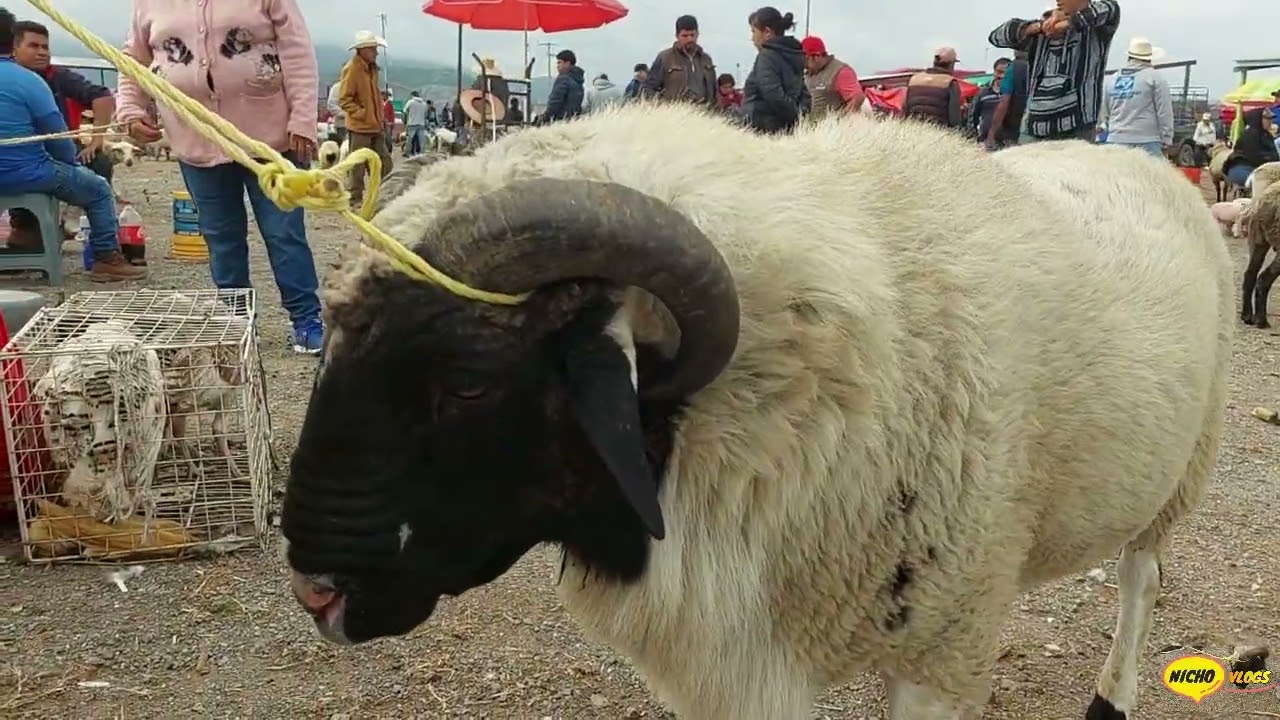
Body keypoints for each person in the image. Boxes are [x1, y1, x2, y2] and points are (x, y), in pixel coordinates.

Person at [117, 0, 325, 352]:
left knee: (284, 233)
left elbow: (298, 51)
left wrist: (303, 119)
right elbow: (133, 60)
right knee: (221, 237)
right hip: (196, 138)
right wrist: (130, 109)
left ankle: (306, 319)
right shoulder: (149, 4)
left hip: (271, 141)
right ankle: (238, 322)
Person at [0, 8, 144, 280]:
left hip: (23, 171)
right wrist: (71, 164)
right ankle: (106, 258)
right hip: (27, 173)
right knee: (98, 189)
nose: (41, 52)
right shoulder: (30, 81)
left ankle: (24, 240)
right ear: (12, 40)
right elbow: (59, 140)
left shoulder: (53, 76)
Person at [8, 19, 119, 252]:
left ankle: (86, 230)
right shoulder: (19, 79)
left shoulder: (58, 76)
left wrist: (97, 139)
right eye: (33, 46)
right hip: (25, 155)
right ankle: (26, 228)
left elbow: (102, 96)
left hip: (58, 149)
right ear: (13, 48)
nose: (42, 52)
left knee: (99, 162)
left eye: (45, 47)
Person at [988, 0, 1120, 142]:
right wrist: (1038, 27)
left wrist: (1068, 23)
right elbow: (996, 37)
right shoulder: (1039, 35)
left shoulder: (1095, 31)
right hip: (1035, 126)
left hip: (1078, 126)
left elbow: (1109, 9)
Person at [336, 31, 391, 208]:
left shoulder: (372, 69)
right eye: (373, 49)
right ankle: (355, 198)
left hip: (375, 125)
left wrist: (378, 117)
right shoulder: (352, 69)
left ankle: (385, 194)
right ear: (363, 50)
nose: (376, 52)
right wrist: (362, 113)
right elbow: (344, 99)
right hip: (360, 127)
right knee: (357, 165)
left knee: (384, 162)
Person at [1100, 37, 1172, 158]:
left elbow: (1104, 112)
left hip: (1116, 140)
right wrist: (1167, 139)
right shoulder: (1155, 78)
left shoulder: (1112, 79)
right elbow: (1164, 112)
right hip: (1147, 140)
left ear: (1129, 57)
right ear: (1149, 58)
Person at [742, 8, 808, 135]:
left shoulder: (767, 56)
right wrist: (798, 116)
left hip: (761, 129)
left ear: (767, 32)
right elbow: (805, 96)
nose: (752, 38)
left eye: (754, 32)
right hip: (787, 131)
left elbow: (773, 95)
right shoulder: (794, 56)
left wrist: (793, 115)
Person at [642, 15, 717, 109]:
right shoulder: (665, 58)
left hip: (704, 113)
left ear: (698, 34)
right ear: (677, 36)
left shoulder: (706, 59)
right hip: (675, 114)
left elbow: (714, 91)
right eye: (685, 36)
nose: (690, 39)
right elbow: (648, 88)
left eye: (692, 35)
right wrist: (663, 107)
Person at [800, 35, 864, 119]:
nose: (803, 64)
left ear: (816, 56)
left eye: (805, 59)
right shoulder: (807, 74)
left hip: (832, 125)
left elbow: (857, 98)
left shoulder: (840, 71)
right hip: (811, 124)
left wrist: (839, 121)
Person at [904, 47, 963, 128]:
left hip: (914, 129)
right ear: (951, 64)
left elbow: (905, 109)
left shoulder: (914, 79)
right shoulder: (950, 82)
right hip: (939, 130)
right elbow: (954, 118)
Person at [1223, 108, 1278, 190]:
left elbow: (1274, 155)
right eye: (1267, 119)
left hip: (1262, 168)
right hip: (1243, 167)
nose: (1270, 121)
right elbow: (1254, 157)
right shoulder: (1250, 135)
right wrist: (1270, 159)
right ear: (1258, 119)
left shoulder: (1267, 136)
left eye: (1271, 119)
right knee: (1263, 183)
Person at [538, 49, 584, 123]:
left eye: (559, 63)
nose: (557, 66)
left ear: (567, 63)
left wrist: (546, 115)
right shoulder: (578, 81)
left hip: (560, 121)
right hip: (574, 122)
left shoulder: (563, 79)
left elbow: (555, 101)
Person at [970, 58, 1010, 142]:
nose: (1002, 76)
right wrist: (973, 136)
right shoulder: (983, 93)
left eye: (1006, 73)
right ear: (994, 72)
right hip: (985, 141)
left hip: (1008, 142)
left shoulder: (1014, 94)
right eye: (999, 72)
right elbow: (972, 116)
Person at [402, 90, 427, 157]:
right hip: (421, 124)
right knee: (421, 140)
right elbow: (425, 114)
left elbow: (404, 111)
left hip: (412, 123)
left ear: (412, 95)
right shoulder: (424, 104)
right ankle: (422, 153)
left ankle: (407, 153)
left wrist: (405, 121)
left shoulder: (410, 102)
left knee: (409, 139)